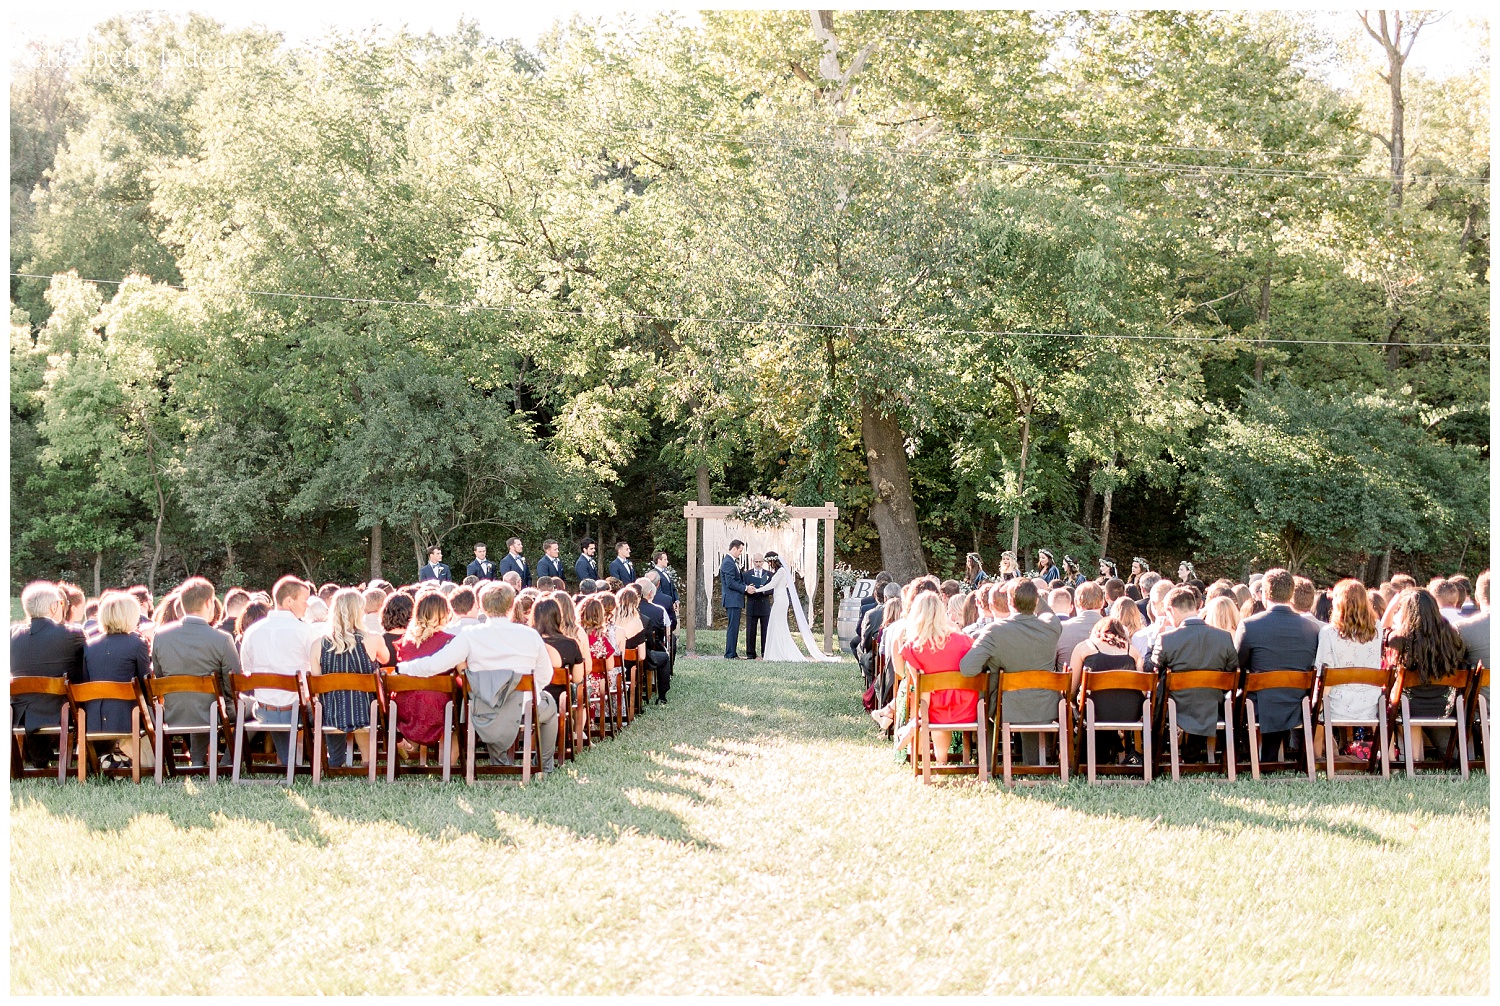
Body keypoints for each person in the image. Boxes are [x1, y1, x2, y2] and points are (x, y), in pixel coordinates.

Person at [397, 582, 559, 774]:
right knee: (550, 708)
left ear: (481, 606)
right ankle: (544, 765)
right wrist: (523, 693)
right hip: (524, 706)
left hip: (482, 708)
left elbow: (434, 665)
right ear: (511, 607)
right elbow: (545, 675)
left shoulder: (470, 635)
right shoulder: (530, 635)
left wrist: (402, 667)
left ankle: (500, 763)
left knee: (493, 708)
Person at [958, 580, 1063, 765]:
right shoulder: (1052, 626)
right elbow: (1047, 612)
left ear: (1010, 602)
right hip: (1046, 706)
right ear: (1035, 600)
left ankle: (988, 763)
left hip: (1006, 709)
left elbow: (967, 669)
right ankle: (1034, 764)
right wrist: (1026, 588)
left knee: (988, 686)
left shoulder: (995, 631)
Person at [152, 577, 241, 768]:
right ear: (209, 603)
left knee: (201, 702)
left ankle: (198, 760)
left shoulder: (160, 636)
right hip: (212, 711)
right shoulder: (222, 639)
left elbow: (158, 677)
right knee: (254, 710)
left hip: (172, 712)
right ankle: (227, 761)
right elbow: (234, 683)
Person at [1234, 568, 1320, 765]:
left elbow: (1237, 666)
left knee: (1235, 696)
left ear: (1264, 593)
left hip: (1258, 705)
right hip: (1297, 704)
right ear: (1291, 594)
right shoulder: (1312, 629)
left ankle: (1242, 756)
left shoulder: (1249, 625)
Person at [1148, 586, 1239, 764]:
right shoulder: (1224, 637)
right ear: (1195, 607)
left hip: (1177, 708)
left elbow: (1154, 670)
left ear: (1171, 610)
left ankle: (1155, 754)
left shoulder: (1167, 639)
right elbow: (1232, 670)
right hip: (1212, 705)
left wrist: (1155, 639)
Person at [239, 576, 322, 766]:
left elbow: (247, 670)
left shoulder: (252, 631)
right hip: (297, 710)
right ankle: (324, 760)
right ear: (289, 601)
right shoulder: (305, 632)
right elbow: (318, 670)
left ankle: (290, 760)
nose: (307, 606)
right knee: (321, 707)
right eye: (304, 601)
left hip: (264, 711)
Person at [1384, 588, 1466, 762]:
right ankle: (1452, 756)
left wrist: (1391, 606)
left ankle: (1409, 758)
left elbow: (1382, 629)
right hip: (1443, 706)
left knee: (1389, 703)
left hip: (1409, 706)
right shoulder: (1452, 635)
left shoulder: (1399, 638)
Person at [11, 581, 86, 767]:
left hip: (19, 714)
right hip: (61, 712)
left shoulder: (10, 636)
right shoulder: (73, 634)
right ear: (54, 607)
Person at [899, 591, 978, 766]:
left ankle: (941, 760)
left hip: (935, 710)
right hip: (969, 708)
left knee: (934, 703)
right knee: (941, 701)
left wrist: (919, 719)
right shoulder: (964, 640)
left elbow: (922, 688)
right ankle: (949, 759)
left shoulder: (912, 647)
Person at [80, 591, 152, 768]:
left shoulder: (89, 646)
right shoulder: (138, 644)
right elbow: (145, 686)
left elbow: (85, 682)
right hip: (128, 718)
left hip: (93, 719)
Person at [1313, 579, 1384, 756]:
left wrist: (1317, 703)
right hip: (1370, 701)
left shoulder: (1329, 632)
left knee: (1318, 703)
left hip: (1337, 704)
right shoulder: (1377, 628)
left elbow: (1322, 672)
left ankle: (1316, 757)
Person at [389, 591, 457, 764]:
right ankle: (447, 763)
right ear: (444, 613)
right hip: (439, 707)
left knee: (418, 698)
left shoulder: (405, 641)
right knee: (458, 711)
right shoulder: (450, 641)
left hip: (406, 706)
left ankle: (410, 748)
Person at [1069, 616, 1143, 763]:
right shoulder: (1133, 652)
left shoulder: (1084, 648)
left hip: (1094, 712)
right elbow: (1142, 689)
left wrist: (1074, 703)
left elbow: (1070, 688)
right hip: (1129, 714)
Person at [759, 552, 837, 663]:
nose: (769, 564)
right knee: (776, 624)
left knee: (778, 624)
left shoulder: (781, 571)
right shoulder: (779, 571)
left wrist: (756, 590)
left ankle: (780, 651)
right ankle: (775, 651)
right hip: (779, 599)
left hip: (781, 600)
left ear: (773, 561)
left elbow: (771, 585)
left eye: (769, 562)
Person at [575, 596, 614, 731]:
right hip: (596, 680)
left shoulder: (575, 634)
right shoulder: (601, 638)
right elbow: (609, 666)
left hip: (578, 677)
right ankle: (590, 722)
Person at [1054, 581, 1105, 673]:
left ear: (1076, 603)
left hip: (1067, 684)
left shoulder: (1061, 629)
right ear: (1102, 603)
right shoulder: (1118, 630)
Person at [720, 539, 751, 659]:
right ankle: (730, 654)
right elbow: (730, 583)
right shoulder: (728, 562)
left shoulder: (732, 562)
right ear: (734, 548)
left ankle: (732, 652)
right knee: (733, 627)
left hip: (735, 599)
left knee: (734, 626)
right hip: (732, 599)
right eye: (740, 550)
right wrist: (745, 588)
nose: (740, 553)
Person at [743, 552, 773, 660]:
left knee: (765, 630)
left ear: (763, 562)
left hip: (764, 605)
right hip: (752, 604)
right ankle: (750, 654)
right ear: (753, 562)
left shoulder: (769, 574)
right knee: (751, 630)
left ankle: (765, 652)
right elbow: (743, 588)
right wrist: (748, 589)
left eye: (760, 562)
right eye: (756, 561)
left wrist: (763, 590)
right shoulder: (746, 574)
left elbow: (773, 589)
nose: (758, 564)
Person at [650, 551, 679, 616]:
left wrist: (676, 600)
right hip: (663, 607)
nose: (667, 561)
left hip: (671, 607)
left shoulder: (666, 573)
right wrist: (669, 604)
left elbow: (673, 588)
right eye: (665, 559)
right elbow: (658, 593)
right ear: (659, 560)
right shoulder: (654, 574)